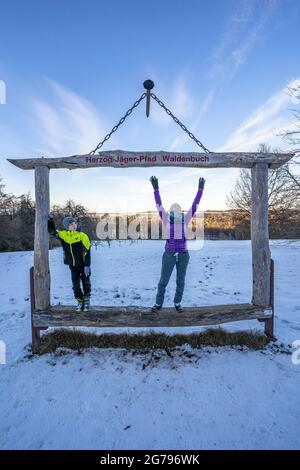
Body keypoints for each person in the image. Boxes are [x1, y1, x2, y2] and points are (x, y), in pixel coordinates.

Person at [150, 176, 205, 312]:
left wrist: (200, 189)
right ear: (171, 212)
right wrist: (156, 189)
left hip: (183, 255)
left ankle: (177, 303)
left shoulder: (185, 220)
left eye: (178, 209)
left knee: (181, 281)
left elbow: (195, 205)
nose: (177, 211)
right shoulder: (166, 220)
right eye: (174, 210)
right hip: (169, 254)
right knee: (163, 281)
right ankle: (158, 304)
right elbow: (159, 205)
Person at [48, 214, 91, 312]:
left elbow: (88, 250)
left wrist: (87, 265)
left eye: (74, 223)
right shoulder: (63, 235)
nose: (74, 225)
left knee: (86, 283)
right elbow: (52, 231)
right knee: (75, 285)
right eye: (71, 224)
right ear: (67, 226)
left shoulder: (82, 236)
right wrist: (50, 220)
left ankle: (87, 301)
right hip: (72, 266)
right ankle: (80, 301)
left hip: (83, 265)